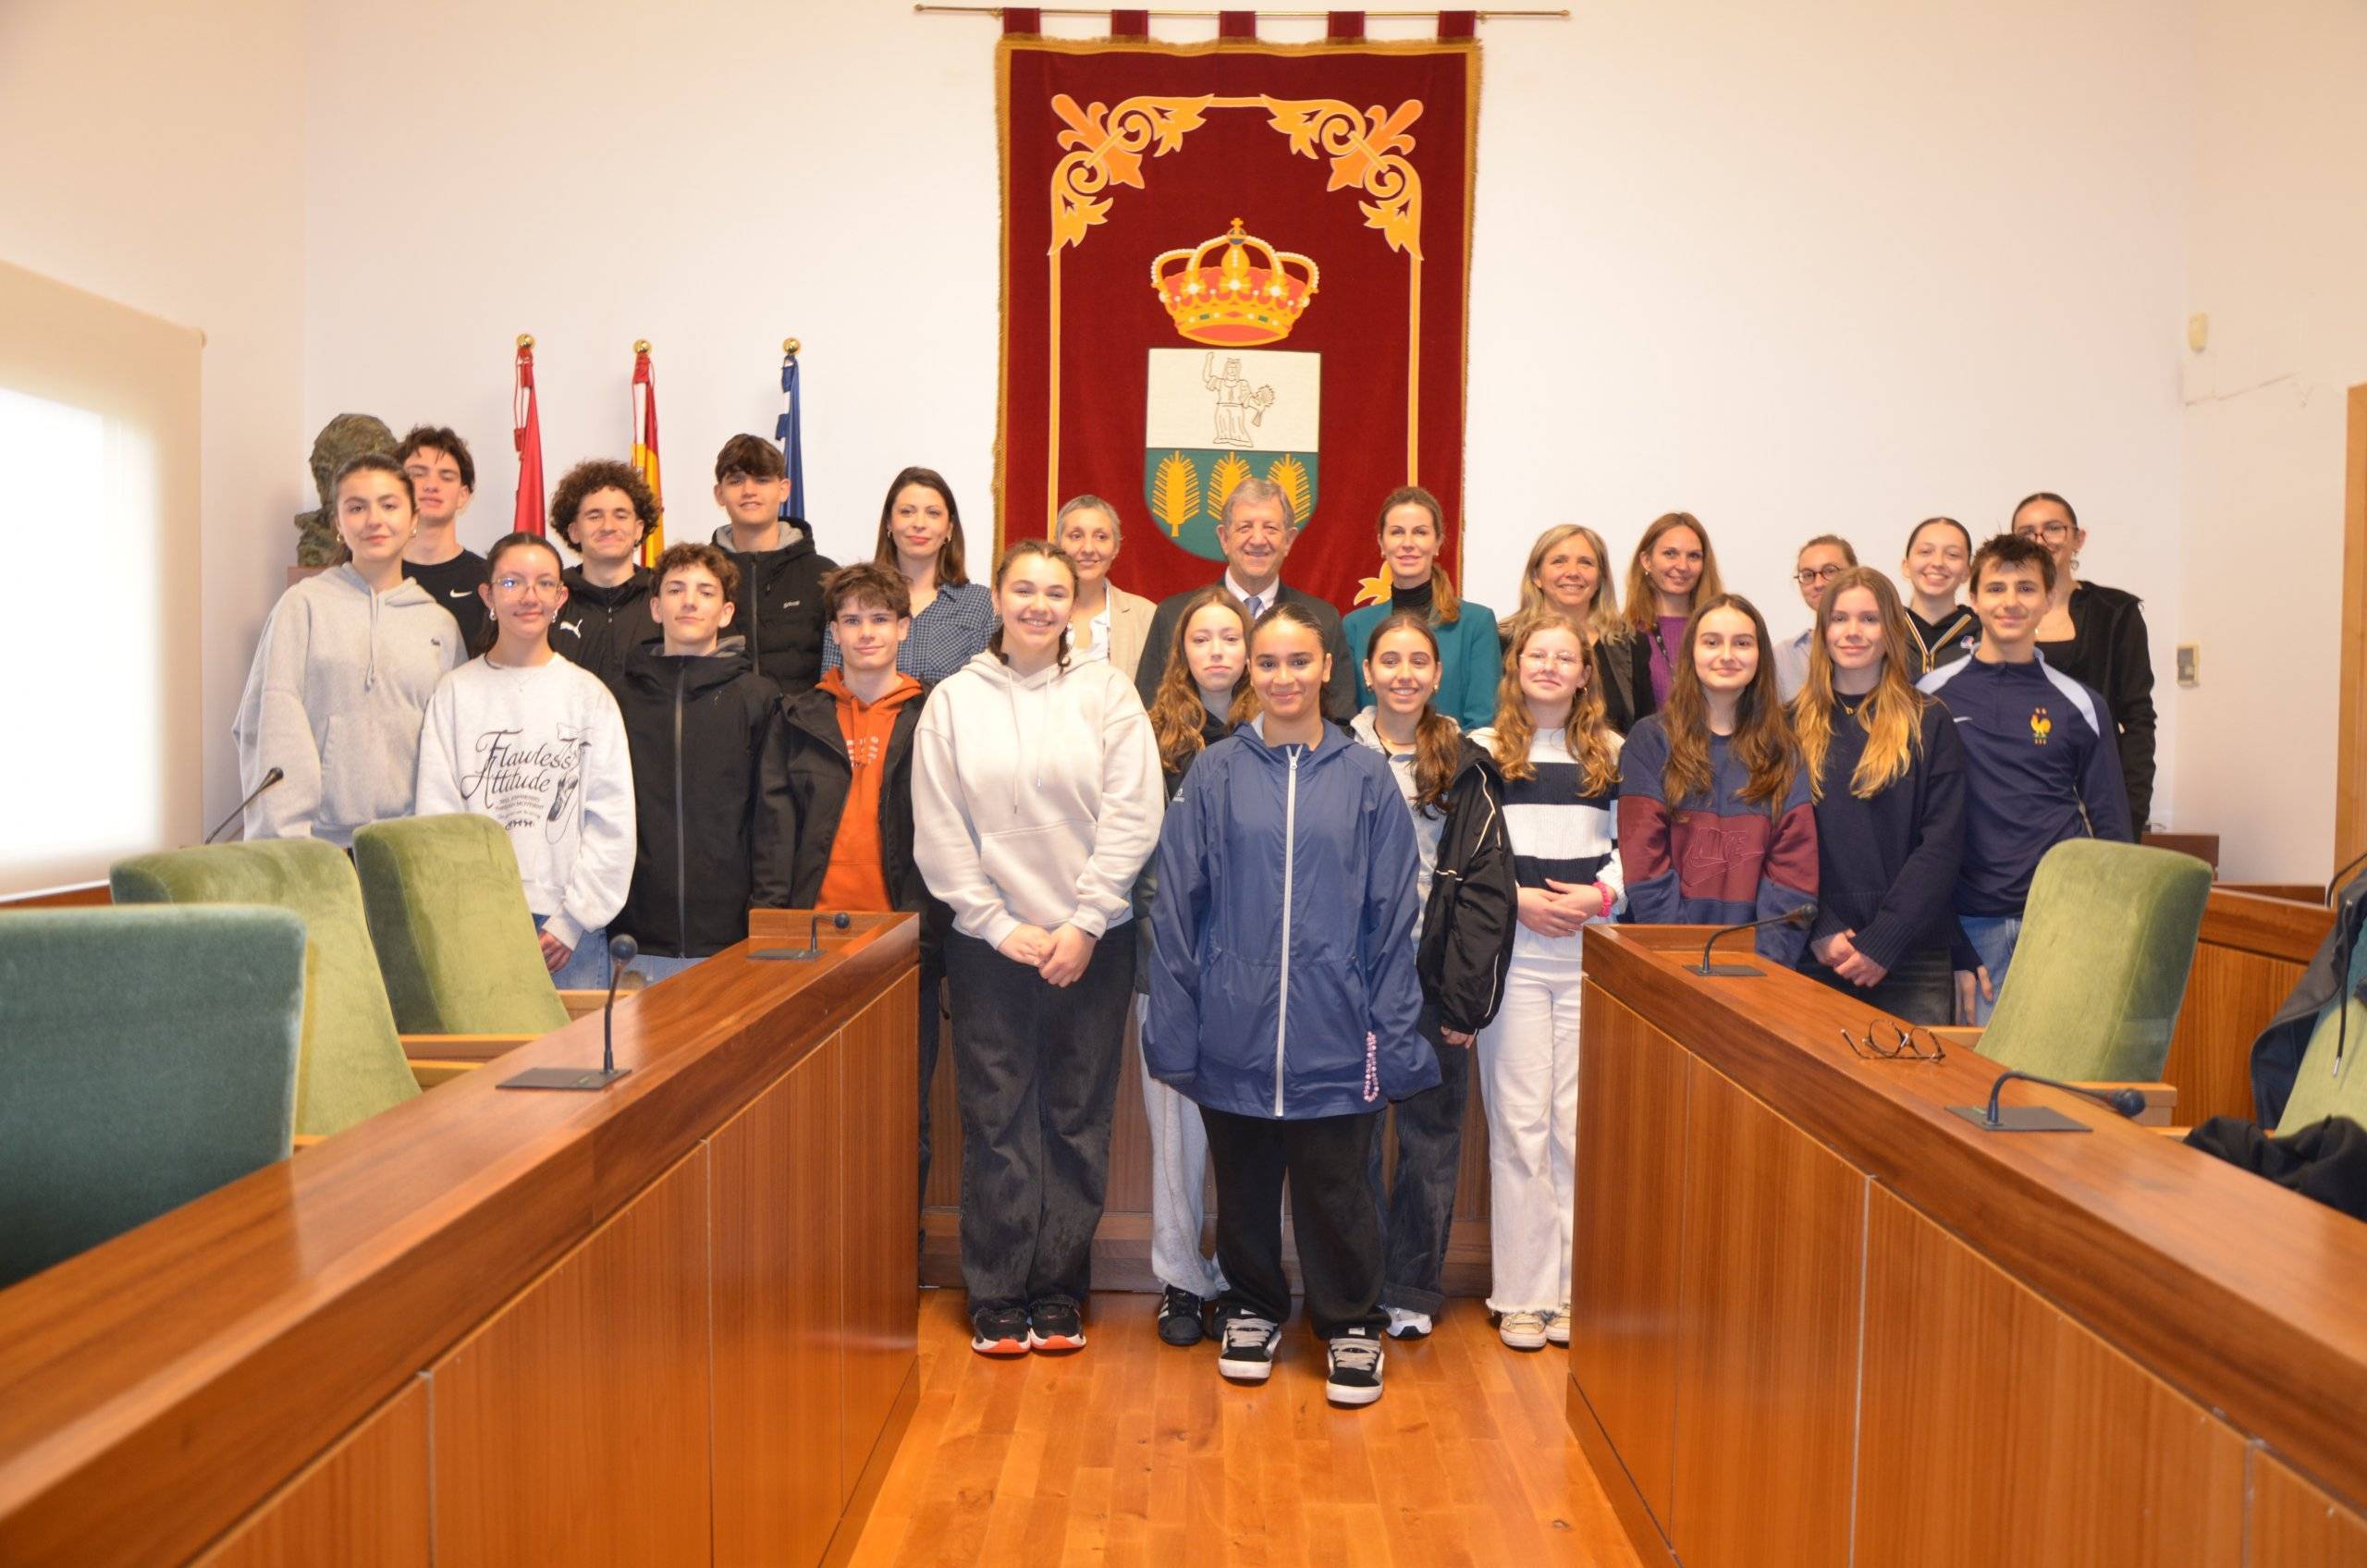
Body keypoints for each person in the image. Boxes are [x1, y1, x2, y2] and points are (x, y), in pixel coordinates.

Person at [1145, 603, 1431, 1409]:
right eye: (1266, 664)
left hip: (1336, 1028)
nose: (1282, 678)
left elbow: (1391, 916)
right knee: (1243, 1182)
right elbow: (1176, 909)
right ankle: (1255, 1304)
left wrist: (1390, 1033)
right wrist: (1176, 1025)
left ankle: (1348, 1317)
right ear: (1249, 671)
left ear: (1327, 669)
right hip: (1234, 1025)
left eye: (1298, 662)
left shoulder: (1367, 776)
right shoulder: (1216, 773)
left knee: (1338, 1184)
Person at [912, 539, 1162, 1359]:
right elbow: (939, 824)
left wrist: (1086, 920)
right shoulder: (955, 700)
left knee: (1076, 1117)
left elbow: (1134, 812)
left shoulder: (1108, 692)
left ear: (1073, 603)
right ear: (998, 597)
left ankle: (1058, 1290)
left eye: (1056, 592)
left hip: (1093, 941)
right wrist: (993, 922)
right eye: (1024, 589)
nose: (1040, 605)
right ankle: (997, 1293)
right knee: (996, 1119)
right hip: (992, 945)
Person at [754, 562, 947, 1198]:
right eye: (852, 620)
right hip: (811, 943)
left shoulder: (935, 714)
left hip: (902, 943)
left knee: (900, 1114)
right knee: (806, 1110)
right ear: (834, 631)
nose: (866, 633)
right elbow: (774, 827)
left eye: (880, 619)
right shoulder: (799, 714)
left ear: (904, 627)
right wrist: (771, 928)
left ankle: (898, 1258)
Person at [1350, 614, 1518, 1344]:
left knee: (1428, 1144)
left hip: (1431, 983)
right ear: (1366, 670)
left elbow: (1487, 889)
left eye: (1419, 660)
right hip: (1348, 986)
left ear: (1438, 674)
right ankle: (1352, 1285)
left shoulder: (1465, 762)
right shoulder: (1335, 750)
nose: (1405, 674)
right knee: (1347, 1143)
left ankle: (1412, 1287)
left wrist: (1465, 1000)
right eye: (1391, 660)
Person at [1467, 617, 1622, 1351]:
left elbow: (1638, 846)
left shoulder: (1618, 754)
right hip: (1515, 955)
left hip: (1592, 956)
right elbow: (1466, 851)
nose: (1552, 667)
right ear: (1516, 667)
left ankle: (1572, 1293)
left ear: (1586, 674)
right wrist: (1515, 898)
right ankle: (1521, 1295)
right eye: (1538, 655)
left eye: (1567, 658)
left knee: (1576, 1126)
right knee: (1521, 1125)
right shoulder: (1483, 751)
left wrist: (1601, 897)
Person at [1919, 533, 2131, 1023]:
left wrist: (2109, 930)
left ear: (2049, 598)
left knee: (2053, 1082)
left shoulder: (2081, 703)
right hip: (1971, 927)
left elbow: (2114, 829)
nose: (2010, 602)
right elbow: (1913, 828)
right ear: (1972, 599)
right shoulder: (1930, 696)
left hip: (2060, 923)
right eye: (1995, 588)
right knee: (1976, 1087)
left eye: (2026, 588)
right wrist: (1949, 937)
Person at [416, 532, 635, 989]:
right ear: (488, 596)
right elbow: (436, 819)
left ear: (561, 597)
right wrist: (467, 914)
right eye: (512, 583)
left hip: (568, 933)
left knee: (576, 1063)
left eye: (543, 584)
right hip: (476, 923)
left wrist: (573, 919)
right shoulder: (455, 693)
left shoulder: (589, 697)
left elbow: (612, 821)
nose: (529, 597)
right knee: (488, 1062)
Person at [1132, 586, 1253, 1346]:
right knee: (1174, 1135)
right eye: (1201, 639)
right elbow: (1137, 857)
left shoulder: (1275, 734)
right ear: (1182, 651)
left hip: (1249, 969)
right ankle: (1180, 1281)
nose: (1215, 651)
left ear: (1248, 651)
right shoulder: (1149, 736)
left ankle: (1244, 1279)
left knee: (1244, 1134)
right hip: (1169, 962)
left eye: (1229, 639)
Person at [232, 454, 462, 846]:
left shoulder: (439, 624)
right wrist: (288, 844)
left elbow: (452, 745)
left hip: (410, 848)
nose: (374, 519)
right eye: (356, 508)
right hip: (318, 848)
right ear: (338, 523)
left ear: (413, 519)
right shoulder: (302, 607)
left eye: (389, 505)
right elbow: (272, 725)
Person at [1790, 567, 1967, 1023]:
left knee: (1913, 1096)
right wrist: (1820, 926)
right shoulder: (1786, 726)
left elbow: (1942, 844)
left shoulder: (1930, 721)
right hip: (1815, 951)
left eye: (1869, 619)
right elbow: (1778, 843)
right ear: (1822, 630)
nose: (1853, 632)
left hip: (1911, 955)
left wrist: (1885, 939)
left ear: (1891, 631)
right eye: (1840, 619)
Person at [1619, 594, 1818, 963]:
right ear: (1691, 653)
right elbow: (1644, 865)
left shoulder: (1784, 751)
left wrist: (1761, 966)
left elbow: (1793, 875)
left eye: (1742, 643)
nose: (1727, 655)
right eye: (1712, 642)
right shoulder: (1650, 741)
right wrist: (1684, 957)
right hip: (1666, 961)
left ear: (1760, 656)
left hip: (1758, 969)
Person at [611, 544, 779, 982]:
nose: (689, 601)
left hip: (729, 937)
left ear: (725, 613)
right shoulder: (617, 699)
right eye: (676, 589)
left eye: (705, 592)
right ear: (655, 607)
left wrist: (764, 912)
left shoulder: (758, 697)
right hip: (635, 936)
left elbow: (771, 816)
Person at [1134, 476, 1355, 722]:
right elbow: (1147, 715)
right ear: (1224, 538)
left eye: (1271, 528)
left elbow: (1341, 717)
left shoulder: (1323, 619)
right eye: (1245, 527)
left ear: (1289, 540)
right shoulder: (1174, 615)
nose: (1258, 540)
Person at [2012, 491, 2157, 830]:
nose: (2040, 539)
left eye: (2053, 528)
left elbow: (2138, 719)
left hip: (2095, 795)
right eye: (2026, 532)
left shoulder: (2115, 613)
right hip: (2016, 793)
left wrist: (2132, 809)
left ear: (2078, 538)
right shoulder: (1998, 615)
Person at [1341, 486, 1501, 729]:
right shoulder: (1354, 626)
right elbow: (1348, 720)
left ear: (1437, 543)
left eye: (1420, 532)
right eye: (1396, 532)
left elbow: (1483, 722)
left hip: (1453, 762)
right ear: (1381, 544)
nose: (1407, 543)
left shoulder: (1476, 623)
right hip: (1372, 763)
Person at [822, 467, 995, 683]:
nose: (919, 524)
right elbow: (831, 685)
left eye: (933, 513)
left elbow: (986, 690)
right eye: (907, 512)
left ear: (950, 527)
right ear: (888, 522)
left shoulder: (979, 604)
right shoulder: (851, 596)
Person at [709, 434, 836, 695]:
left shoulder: (824, 575)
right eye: (736, 481)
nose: (749, 491)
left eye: (762, 480)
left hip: (801, 730)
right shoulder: (701, 578)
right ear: (719, 494)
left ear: (784, 489)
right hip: (723, 730)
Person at [1501, 524, 1648, 734]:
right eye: (1559, 561)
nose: (1573, 573)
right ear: (1536, 576)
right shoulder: (1502, 640)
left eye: (1585, 563)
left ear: (1600, 579)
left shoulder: (1630, 645)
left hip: (1610, 764)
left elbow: (1643, 727)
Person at [548, 459, 657, 702]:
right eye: (594, 516)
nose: (608, 526)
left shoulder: (666, 598)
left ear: (639, 528)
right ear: (574, 530)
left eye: (620, 515)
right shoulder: (549, 601)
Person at [396, 425, 489, 648]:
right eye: (418, 474)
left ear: (463, 495)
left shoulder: (486, 579)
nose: (431, 485)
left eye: (446, 477)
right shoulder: (376, 575)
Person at [1621, 512, 1725, 709]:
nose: (1682, 566)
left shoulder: (1723, 633)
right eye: (1670, 554)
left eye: (1693, 556)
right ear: (1646, 560)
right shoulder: (1623, 637)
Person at [1053, 494, 1158, 680]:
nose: (1088, 548)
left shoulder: (1146, 616)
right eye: (1076, 536)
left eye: (1101, 537)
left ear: (1116, 547)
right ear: (1058, 543)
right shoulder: (1035, 612)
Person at [1772, 533, 1859, 701]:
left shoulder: (1877, 644)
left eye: (1830, 571)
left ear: (1855, 573)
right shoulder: (1785, 656)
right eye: (1808, 575)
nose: (1818, 584)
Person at [1900, 516, 1979, 675]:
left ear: (1967, 572)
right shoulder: (1885, 629)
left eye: (1953, 554)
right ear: (1906, 566)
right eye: (1925, 552)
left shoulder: (1984, 633)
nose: (1937, 563)